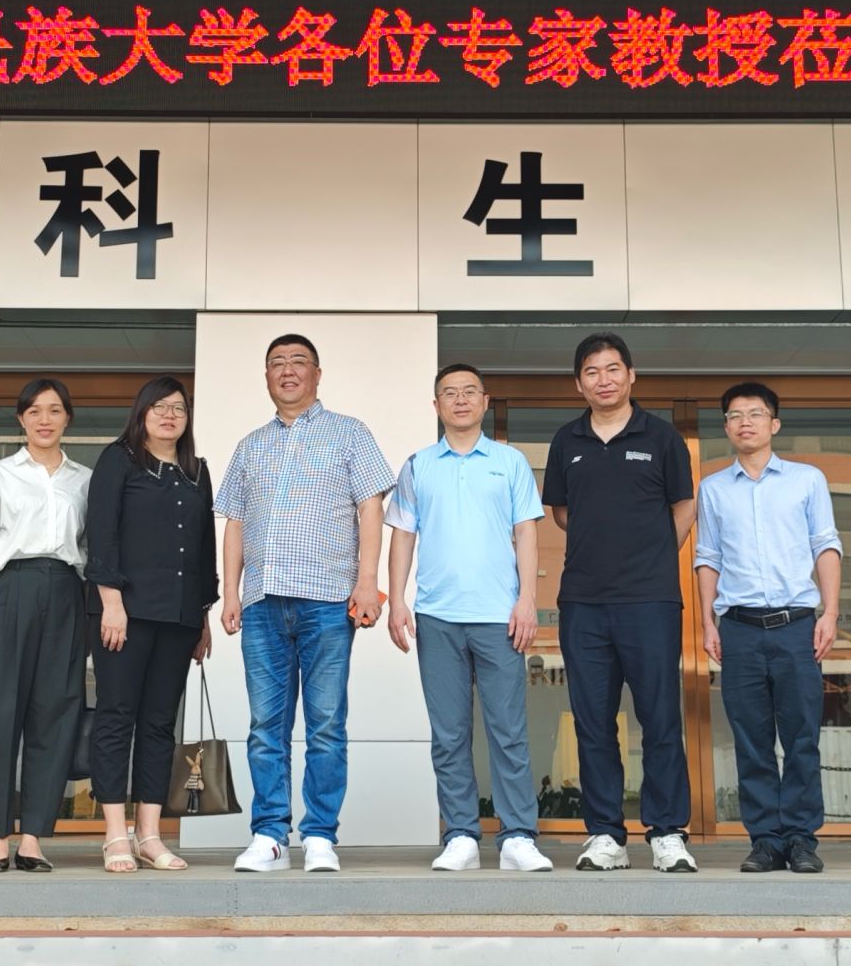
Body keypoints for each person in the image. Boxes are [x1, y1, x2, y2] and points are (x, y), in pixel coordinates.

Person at [216, 334, 396, 874]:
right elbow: (235, 522)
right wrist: (232, 592)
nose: (288, 370)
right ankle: (270, 835)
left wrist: (368, 582)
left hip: (328, 602)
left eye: (298, 362)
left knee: (326, 725)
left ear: (318, 374)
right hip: (262, 603)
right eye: (277, 363)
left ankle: (320, 835)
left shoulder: (350, 433)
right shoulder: (250, 445)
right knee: (264, 727)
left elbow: (370, 507)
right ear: (266, 377)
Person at [385, 364, 555, 874]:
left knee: (509, 730)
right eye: (449, 393)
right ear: (436, 405)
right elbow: (403, 535)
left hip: (499, 616)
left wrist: (527, 599)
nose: (459, 400)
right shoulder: (418, 465)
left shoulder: (510, 462)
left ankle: (518, 836)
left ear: (485, 401)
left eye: (469, 392)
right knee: (449, 733)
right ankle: (460, 834)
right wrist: (397, 600)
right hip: (437, 616)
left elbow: (527, 533)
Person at [542, 332, 698, 874]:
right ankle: (606, 833)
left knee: (659, 718)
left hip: (651, 601)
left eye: (612, 369)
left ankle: (667, 832)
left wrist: (650, 555)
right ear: (578, 383)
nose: (603, 380)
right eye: (592, 371)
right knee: (592, 722)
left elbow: (684, 506)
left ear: (631, 375)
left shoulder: (661, 437)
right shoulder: (566, 441)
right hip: (584, 601)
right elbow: (563, 512)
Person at [695, 381, 842, 876]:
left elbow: (826, 545)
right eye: (735, 416)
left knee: (801, 736)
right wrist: (707, 621)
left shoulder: (807, 480)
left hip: (796, 625)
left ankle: (800, 839)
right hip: (738, 628)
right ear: (726, 427)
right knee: (751, 738)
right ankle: (765, 840)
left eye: (755, 414)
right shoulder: (713, 488)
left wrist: (830, 612)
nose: (745, 423)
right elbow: (708, 557)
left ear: (774, 423)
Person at [0, 378, 92, 872]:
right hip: (8, 591)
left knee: (54, 714)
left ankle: (33, 837)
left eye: (54, 410)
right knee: (1, 713)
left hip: (67, 592)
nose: (44, 419)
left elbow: (92, 549)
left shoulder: (85, 480)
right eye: (34, 411)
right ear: (21, 419)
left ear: (67, 418)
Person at [85, 375, 216, 873]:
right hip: (125, 612)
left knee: (160, 724)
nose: (169, 415)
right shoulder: (119, 460)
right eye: (159, 407)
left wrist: (202, 616)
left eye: (178, 408)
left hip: (179, 617)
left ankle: (150, 835)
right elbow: (102, 533)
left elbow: (203, 549)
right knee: (117, 716)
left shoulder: (197, 471)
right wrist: (111, 601)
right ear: (141, 413)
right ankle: (114, 834)